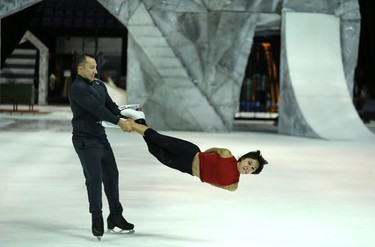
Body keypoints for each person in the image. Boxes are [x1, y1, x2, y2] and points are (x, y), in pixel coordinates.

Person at [118, 108, 268, 191]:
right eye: (249, 162)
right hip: (189, 152)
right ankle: (123, 122)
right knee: (157, 138)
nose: (248, 167)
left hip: (186, 167)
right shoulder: (226, 154)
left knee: (154, 149)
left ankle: (139, 119)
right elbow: (211, 150)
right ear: (243, 158)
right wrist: (200, 156)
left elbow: (213, 181)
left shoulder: (233, 185)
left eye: (252, 169)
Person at [69, 54, 134, 240]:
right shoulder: (77, 89)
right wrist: (119, 122)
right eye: (91, 67)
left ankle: (115, 216)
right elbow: (97, 109)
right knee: (94, 178)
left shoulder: (99, 85)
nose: (95, 71)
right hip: (85, 140)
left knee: (112, 175)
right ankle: (96, 217)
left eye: (96, 67)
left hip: (100, 138)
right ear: (80, 69)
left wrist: (129, 115)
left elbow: (110, 106)